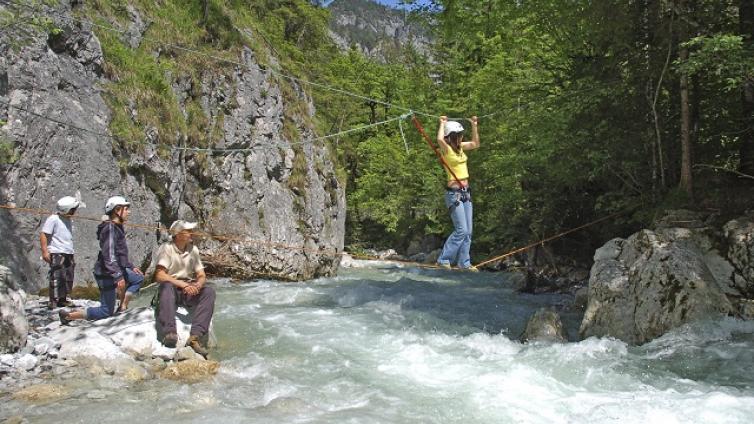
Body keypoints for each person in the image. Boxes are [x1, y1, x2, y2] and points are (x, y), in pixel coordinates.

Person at [59, 196, 144, 324]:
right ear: (117, 210)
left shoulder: (117, 226)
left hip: (115, 269)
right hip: (106, 273)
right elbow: (108, 255)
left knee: (138, 278)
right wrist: (118, 276)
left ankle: (122, 306)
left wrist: (130, 266)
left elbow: (120, 252)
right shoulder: (109, 228)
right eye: (126, 209)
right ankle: (68, 316)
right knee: (105, 311)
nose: (129, 212)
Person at [154, 220, 215, 357]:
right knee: (166, 286)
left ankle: (195, 337)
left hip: (188, 288)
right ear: (178, 234)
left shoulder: (193, 249)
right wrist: (183, 285)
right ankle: (170, 333)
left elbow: (201, 275)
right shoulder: (166, 248)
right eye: (188, 231)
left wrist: (198, 285)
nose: (191, 233)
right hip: (171, 288)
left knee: (209, 292)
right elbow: (159, 275)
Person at [436, 115, 480, 271]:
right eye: (459, 135)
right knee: (461, 230)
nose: (461, 137)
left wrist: (474, 125)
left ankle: (464, 263)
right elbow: (440, 139)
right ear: (452, 136)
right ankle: (443, 259)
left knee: (468, 231)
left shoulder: (461, 148)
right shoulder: (447, 149)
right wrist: (442, 123)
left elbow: (475, 143)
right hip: (453, 194)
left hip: (466, 192)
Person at [40, 195, 85, 309]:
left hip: (68, 251)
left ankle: (63, 299)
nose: (74, 211)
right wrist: (45, 251)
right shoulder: (53, 218)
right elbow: (44, 234)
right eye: (72, 209)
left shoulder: (68, 219)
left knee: (68, 276)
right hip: (57, 251)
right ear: (66, 210)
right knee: (57, 275)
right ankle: (53, 301)